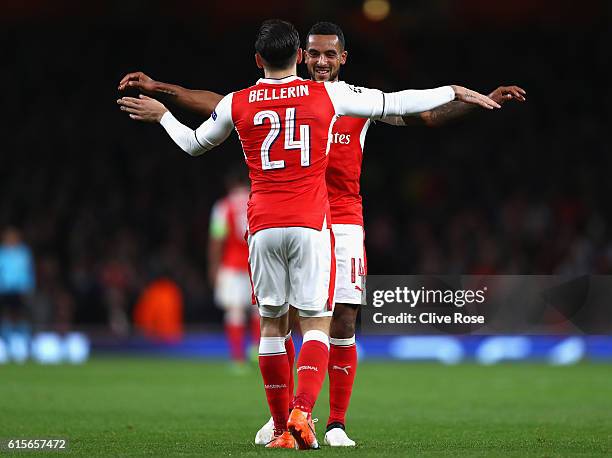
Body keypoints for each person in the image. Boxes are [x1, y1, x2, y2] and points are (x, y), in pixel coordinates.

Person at [118, 21, 525, 447]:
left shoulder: (352, 101)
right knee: (295, 320)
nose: (322, 61)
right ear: (301, 56)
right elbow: (221, 105)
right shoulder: (309, 96)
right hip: (306, 219)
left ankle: (334, 423)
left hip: (340, 219)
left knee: (340, 318)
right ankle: (292, 415)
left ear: (343, 58)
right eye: (315, 54)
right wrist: (163, 88)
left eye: (331, 54)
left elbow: (423, 113)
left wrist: (477, 101)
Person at [208, 171, 260, 369]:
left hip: (231, 265)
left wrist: (213, 266)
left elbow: (217, 239)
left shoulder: (223, 206)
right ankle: (257, 352)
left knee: (234, 312)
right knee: (259, 311)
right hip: (256, 263)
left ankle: (238, 360)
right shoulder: (256, 200)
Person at [0, 226, 36, 362]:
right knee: (6, 316)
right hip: (5, 290)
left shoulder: (23, 252)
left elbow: (29, 271)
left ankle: (24, 345)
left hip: (21, 290)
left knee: (21, 317)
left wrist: (29, 286)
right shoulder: (2, 253)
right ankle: (6, 345)